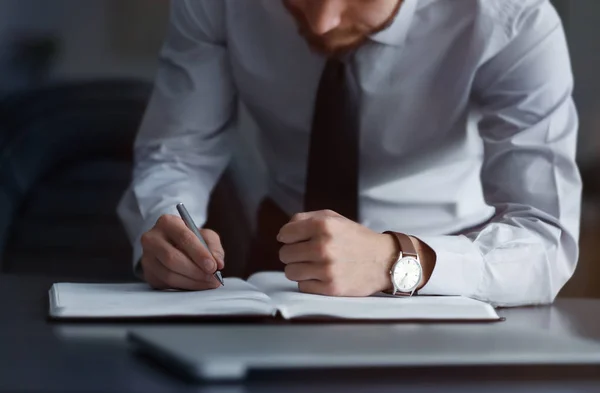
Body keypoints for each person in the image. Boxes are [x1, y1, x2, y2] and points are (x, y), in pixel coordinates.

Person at [118, 0, 581, 307]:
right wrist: (164, 228)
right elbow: (177, 153)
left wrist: (396, 261)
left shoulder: (514, 20)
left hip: (448, 279)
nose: (319, 23)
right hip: (278, 264)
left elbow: (545, 239)